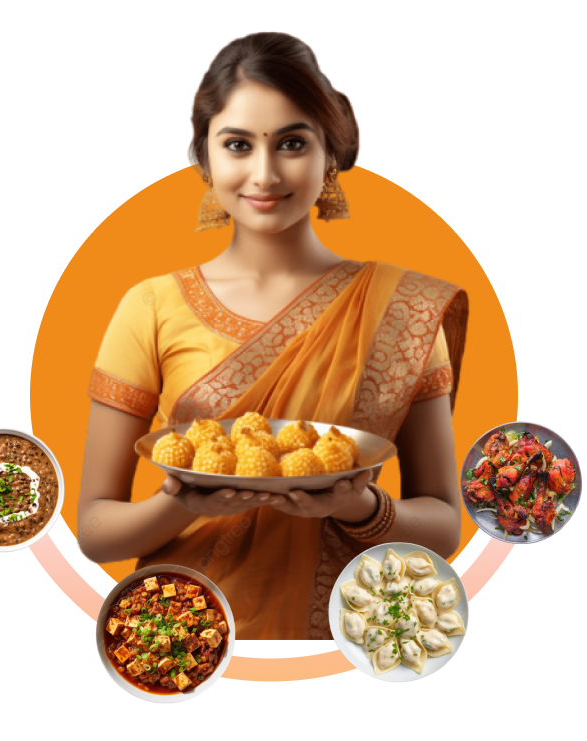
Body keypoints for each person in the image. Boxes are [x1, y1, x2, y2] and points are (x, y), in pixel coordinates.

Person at [77, 31, 468, 640]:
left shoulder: (403, 306)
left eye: (292, 143)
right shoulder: (149, 306)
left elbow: (445, 526)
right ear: (204, 158)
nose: (264, 174)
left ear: (329, 156)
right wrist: (182, 500)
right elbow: (96, 532)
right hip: (185, 632)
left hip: (358, 633)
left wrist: (356, 506)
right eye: (237, 145)